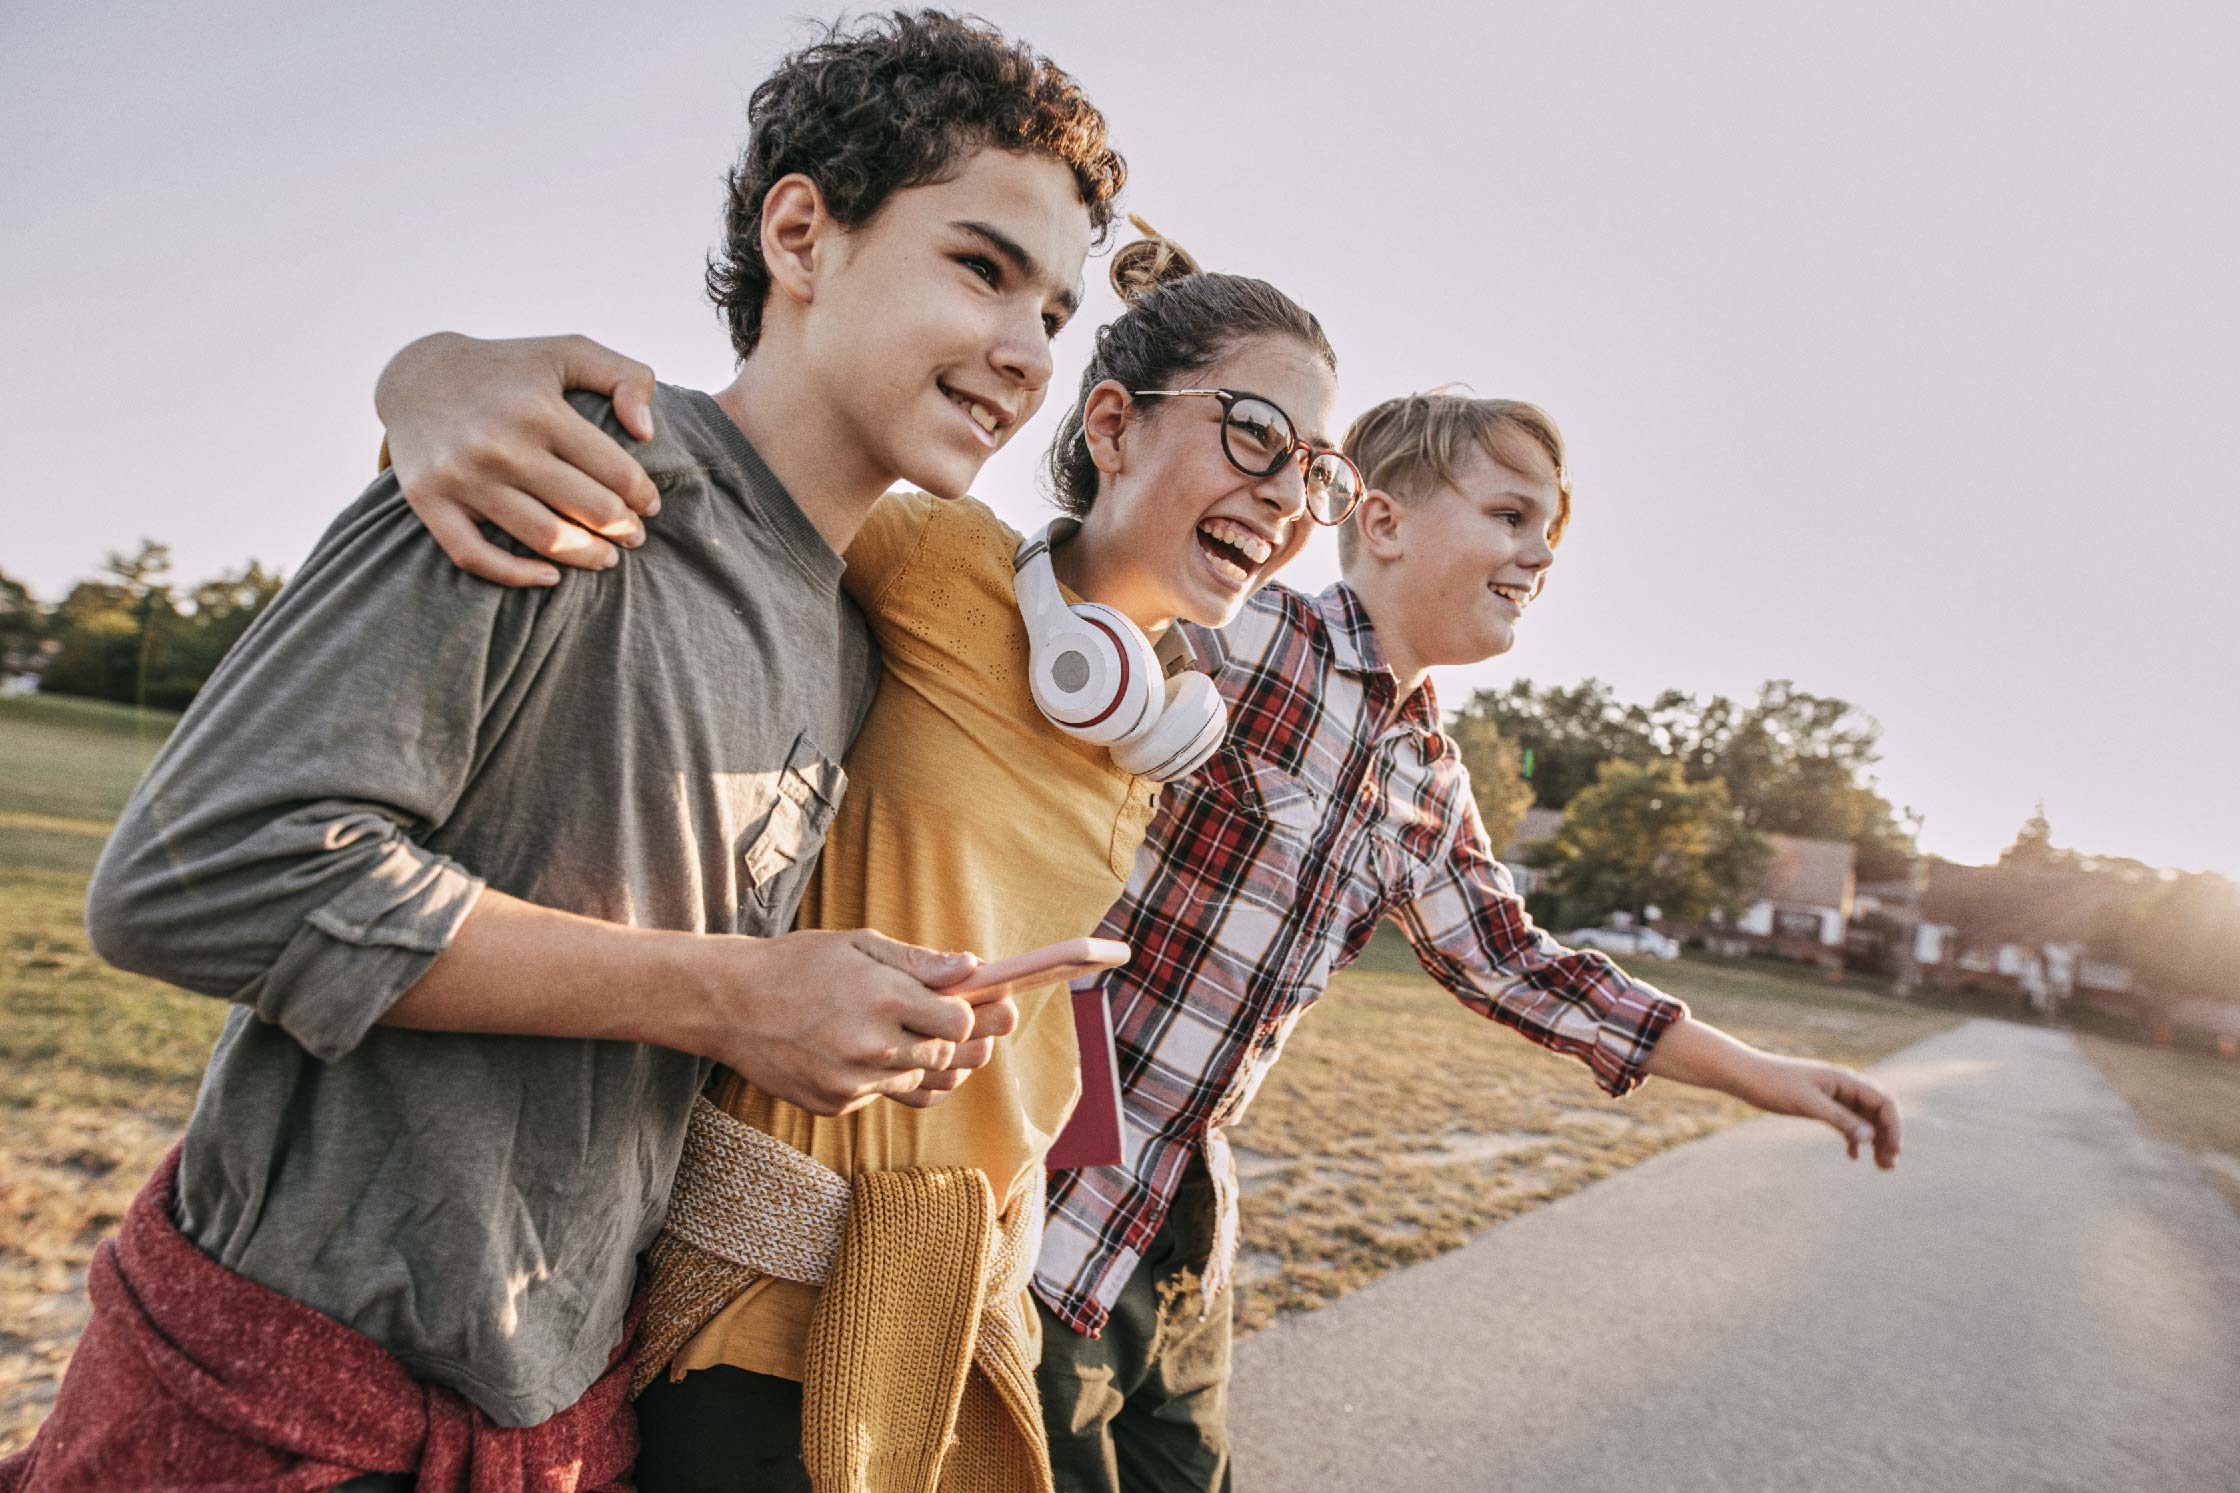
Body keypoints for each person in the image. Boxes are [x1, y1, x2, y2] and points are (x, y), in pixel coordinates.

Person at [374, 391, 1906, 1493]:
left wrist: (1768, 1069)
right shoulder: (1234, 643)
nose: (1538, 551)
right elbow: (1010, 574)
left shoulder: (1429, 768)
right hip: (1049, 1219)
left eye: (1553, 534)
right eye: (1510, 514)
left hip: (1186, 1233)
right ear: (1373, 516)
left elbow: (1518, 961)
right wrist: (456, 382)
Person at [1, 14, 1122, 1493]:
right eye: (981, 267)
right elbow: (195, 875)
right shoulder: (559, 468)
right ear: (803, 232)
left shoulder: (857, 637)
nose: (1024, 351)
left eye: (1054, 308)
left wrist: (854, 1016)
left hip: (568, 1416)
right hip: (284, 1397)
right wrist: (731, 996)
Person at [380, 221, 1351, 1492]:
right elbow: (715, 458)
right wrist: (431, 373)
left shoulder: (1157, 724)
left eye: (1316, 470)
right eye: (1253, 437)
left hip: (963, 1311)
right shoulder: (943, 561)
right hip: (767, 1304)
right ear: (1109, 425)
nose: (1287, 494)